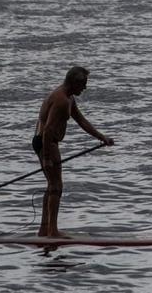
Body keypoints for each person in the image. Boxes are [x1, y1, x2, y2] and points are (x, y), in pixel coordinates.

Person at [31, 65, 114, 237]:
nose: (85, 88)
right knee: (56, 186)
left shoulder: (69, 98)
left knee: (52, 185)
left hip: (48, 142)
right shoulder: (61, 100)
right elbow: (46, 131)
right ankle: (52, 231)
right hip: (46, 142)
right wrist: (46, 157)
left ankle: (44, 229)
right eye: (83, 84)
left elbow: (81, 121)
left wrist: (102, 137)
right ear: (73, 83)